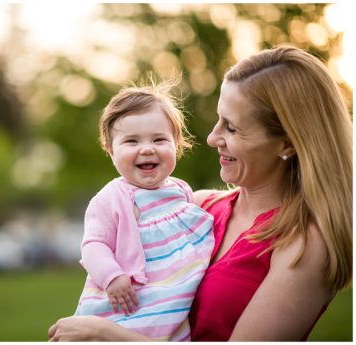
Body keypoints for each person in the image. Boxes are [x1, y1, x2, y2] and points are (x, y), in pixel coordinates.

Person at [49, 45, 352, 341]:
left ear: (287, 143)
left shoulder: (305, 244)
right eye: (218, 120)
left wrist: (106, 335)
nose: (211, 137)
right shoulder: (196, 206)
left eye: (232, 129)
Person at [72, 80, 215, 341]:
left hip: (171, 307)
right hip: (125, 304)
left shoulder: (181, 191)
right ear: (110, 150)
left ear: (177, 144)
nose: (147, 148)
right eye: (131, 141)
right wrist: (112, 277)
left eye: (159, 139)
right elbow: (93, 245)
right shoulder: (112, 198)